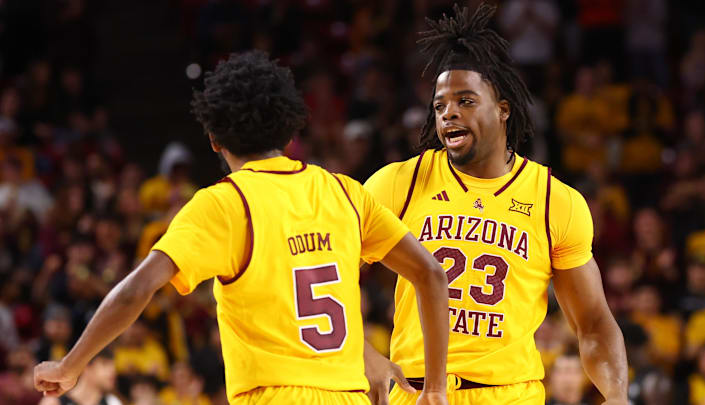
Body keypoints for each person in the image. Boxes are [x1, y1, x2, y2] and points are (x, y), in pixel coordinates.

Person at [33, 51, 450, 405]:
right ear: (291, 129)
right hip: (348, 394)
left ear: (213, 138)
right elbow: (430, 273)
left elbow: (138, 290)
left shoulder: (224, 204)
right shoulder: (344, 192)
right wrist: (433, 389)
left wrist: (70, 365)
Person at [362, 4, 627, 404]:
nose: (449, 112)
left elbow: (591, 322)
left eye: (466, 101)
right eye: (440, 105)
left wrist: (618, 396)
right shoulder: (398, 182)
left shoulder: (555, 200)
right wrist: (364, 354)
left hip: (508, 394)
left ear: (503, 110)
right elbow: (325, 273)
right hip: (417, 391)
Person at [38, 349, 121, 405]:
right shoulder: (54, 402)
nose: (112, 371)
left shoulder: (113, 402)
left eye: (113, 366)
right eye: (105, 364)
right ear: (86, 367)